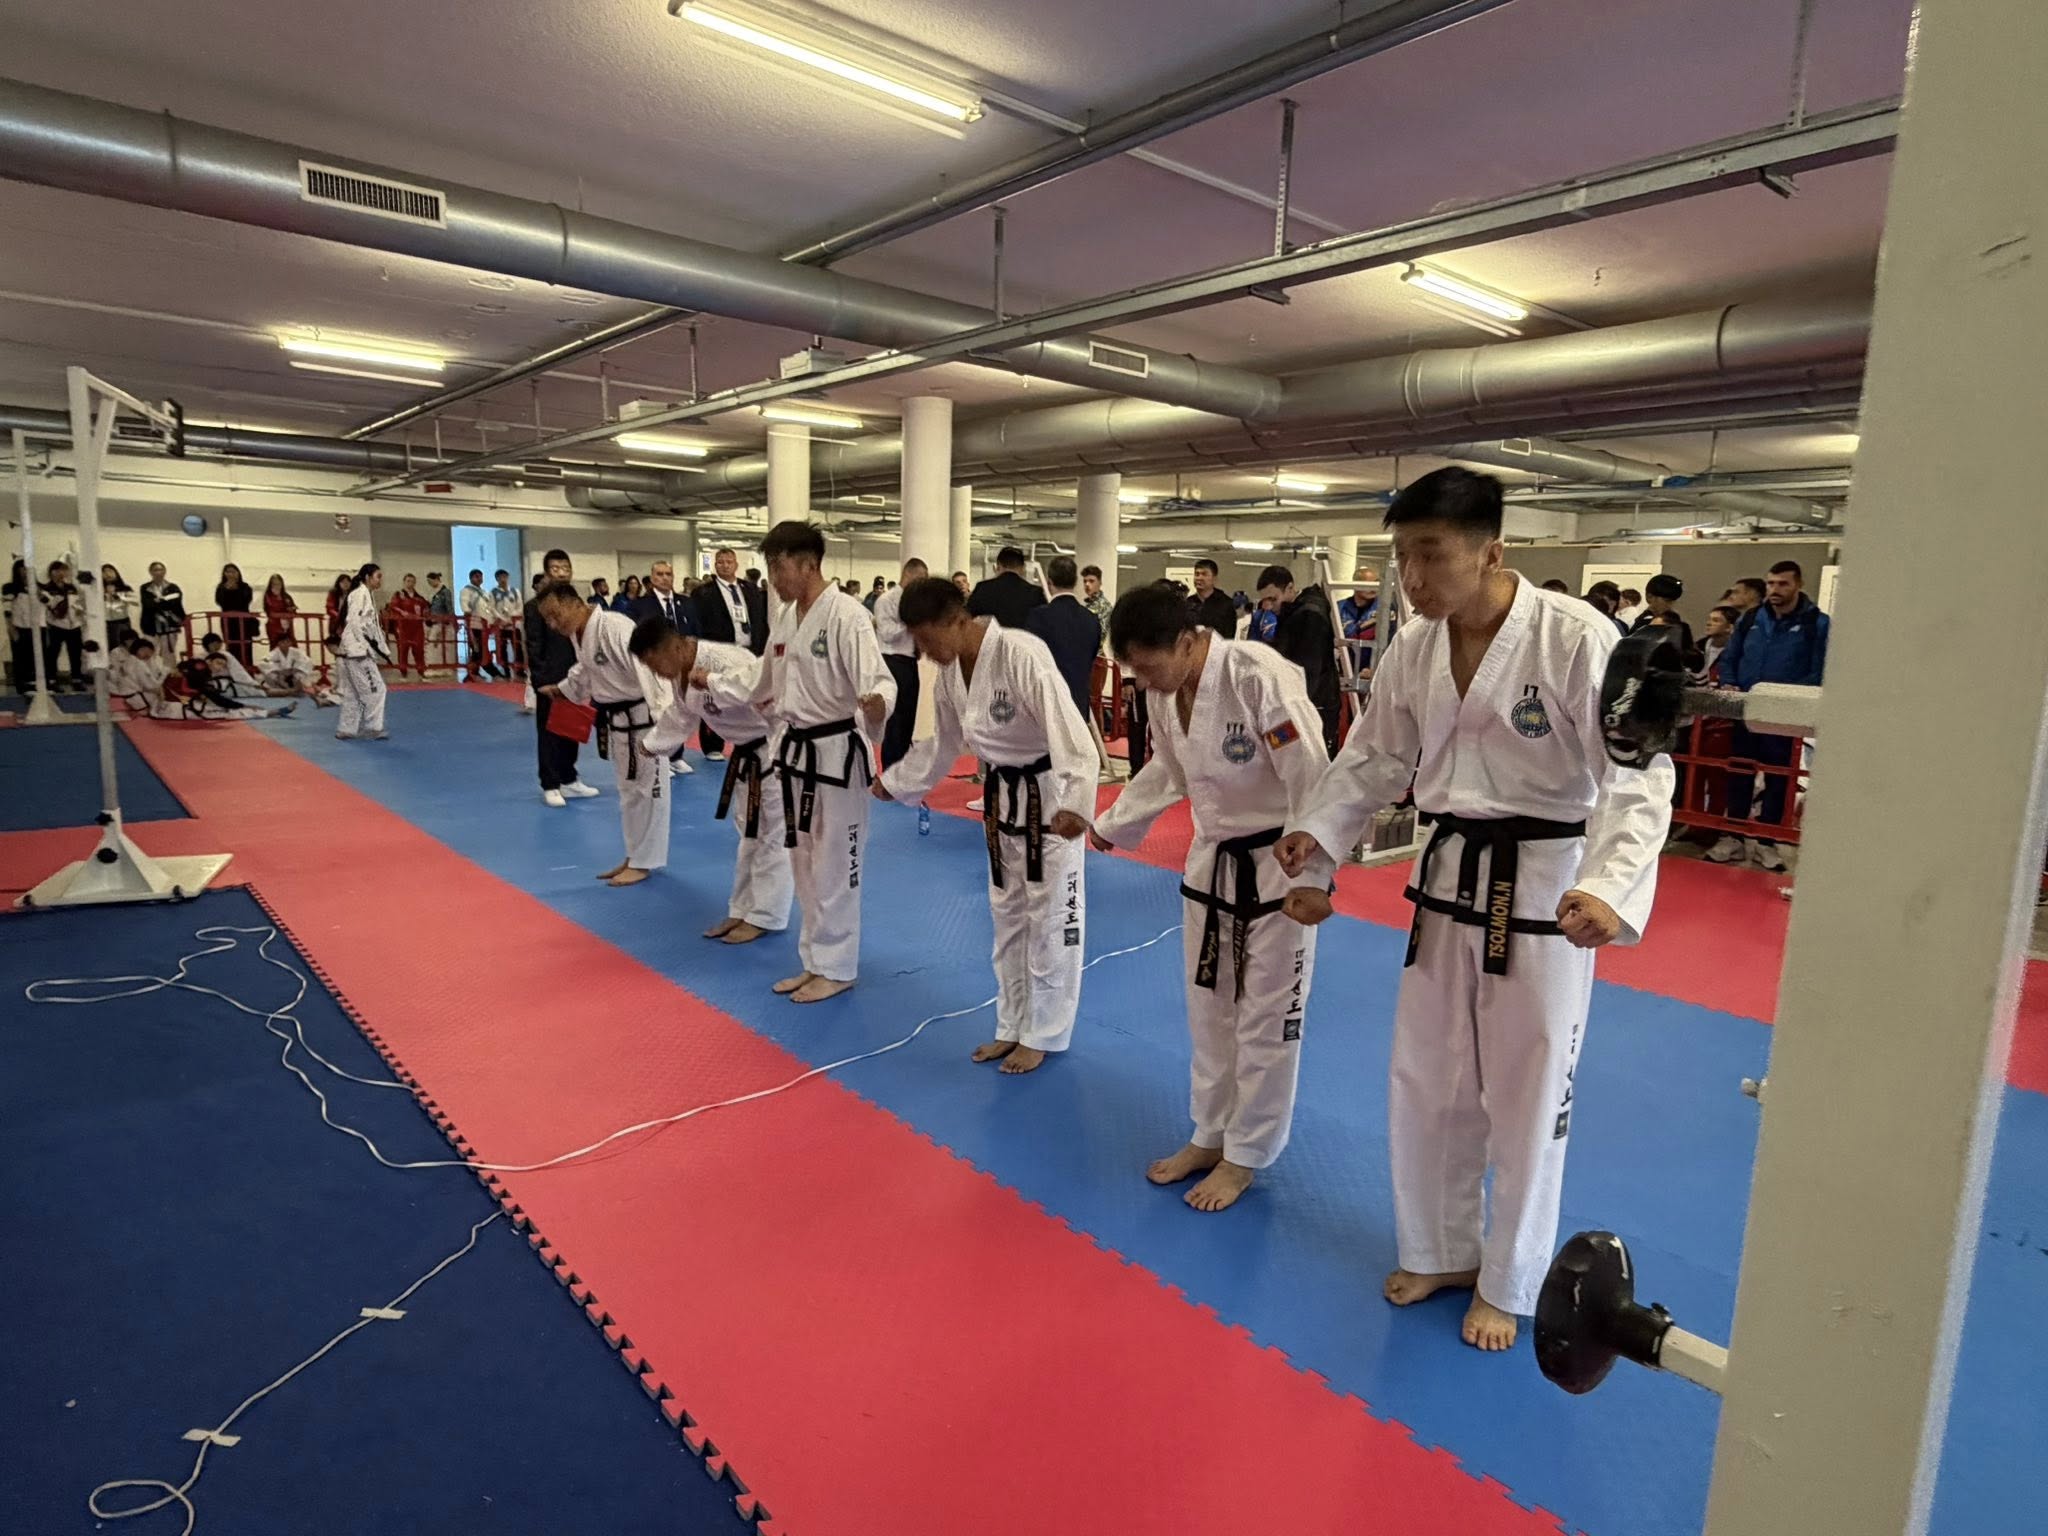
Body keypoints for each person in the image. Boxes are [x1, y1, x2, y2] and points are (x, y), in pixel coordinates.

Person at [1272, 466, 1673, 1352]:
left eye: (1431, 555)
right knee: (1428, 1080)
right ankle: (1441, 1251)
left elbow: (1637, 776)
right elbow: (1375, 757)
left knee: (1528, 1095)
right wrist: (1319, 844)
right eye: (1402, 558)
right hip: (1448, 878)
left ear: (1492, 552)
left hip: (1546, 889)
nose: (1412, 579)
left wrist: (1608, 887)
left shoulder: (1575, 637)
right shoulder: (1415, 647)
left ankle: (1511, 1278)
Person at [1091, 581, 1333, 1210]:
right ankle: (1209, 1133)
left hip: (1280, 866)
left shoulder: (1257, 676)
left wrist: (1315, 877)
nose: (1141, 682)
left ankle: (1246, 1153)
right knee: (1209, 1009)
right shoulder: (1167, 694)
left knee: (1266, 1018)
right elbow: (1168, 771)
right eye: (1132, 670)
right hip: (1212, 863)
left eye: (1147, 666)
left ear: (1185, 642)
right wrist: (1115, 823)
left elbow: (1311, 774)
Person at [882, 576, 1095, 1073]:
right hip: (1002, 798)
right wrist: (896, 782)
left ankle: (1045, 1031)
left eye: (928, 638)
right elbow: (942, 744)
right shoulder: (951, 674)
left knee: (1051, 917)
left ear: (957, 621)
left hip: (1049, 798)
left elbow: (1071, 730)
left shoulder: (1021, 654)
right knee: (1007, 916)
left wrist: (1076, 804)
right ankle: (1012, 1023)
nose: (925, 652)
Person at [744, 520, 894, 1004]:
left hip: (836, 757)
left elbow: (880, 681)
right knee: (804, 861)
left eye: (779, 566)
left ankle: (839, 966)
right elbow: (763, 679)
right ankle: (815, 961)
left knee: (837, 864)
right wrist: (720, 686)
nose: (773, 578)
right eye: (770, 567)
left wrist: (876, 704)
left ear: (808, 564)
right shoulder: (786, 617)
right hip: (796, 754)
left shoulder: (848, 615)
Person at [631, 616, 793, 945]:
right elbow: (681, 716)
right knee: (749, 834)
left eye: (654, 663)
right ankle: (743, 908)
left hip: (774, 751)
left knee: (772, 835)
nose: (656, 673)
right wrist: (652, 744)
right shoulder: (681, 673)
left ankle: (766, 915)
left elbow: (778, 704)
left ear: (674, 647)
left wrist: (780, 758)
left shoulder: (727, 662)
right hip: (746, 755)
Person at [538, 580, 670, 886]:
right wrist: (562, 690)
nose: (553, 624)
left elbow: (651, 669)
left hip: (645, 721)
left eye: (555, 614)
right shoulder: (580, 633)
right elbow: (586, 670)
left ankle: (645, 861)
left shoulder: (614, 626)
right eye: (547, 619)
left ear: (574, 603)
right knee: (628, 793)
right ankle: (634, 855)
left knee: (649, 793)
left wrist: (665, 726)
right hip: (618, 722)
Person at [1706, 560, 1829, 873]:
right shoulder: (1750, 619)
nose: (1775, 589)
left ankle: (1766, 840)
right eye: (1771, 583)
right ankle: (1732, 836)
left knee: (1779, 778)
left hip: (1784, 715)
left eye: (1783, 584)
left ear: (1798, 585)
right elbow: (1731, 656)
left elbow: (1819, 669)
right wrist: (1730, 683)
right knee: (1739, 771)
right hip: (1746, 710)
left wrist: (1788, 698)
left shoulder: (1817, 623)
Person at [523, 552, 596, 808]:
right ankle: (550, 783)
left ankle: (569, 778)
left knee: (572, 728)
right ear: (546, 572)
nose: (562, 572)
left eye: (566, 567)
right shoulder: (535, 606)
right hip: (550, 677)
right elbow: (534, 646)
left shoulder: (576, 603)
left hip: (575, 674)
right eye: (555, 568)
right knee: (549, 732)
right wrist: (540, 680)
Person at [1255, 564, 1341, 755]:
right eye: (1264, 600)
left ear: (1290, 588)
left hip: (1312, 707)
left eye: (1273, 599)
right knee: (1282, 756)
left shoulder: (1310, 615)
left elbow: (1309, 669)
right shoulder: (1292, 613)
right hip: (1298, 704)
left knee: (1306, 761)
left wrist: (1295, 709)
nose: (1268, 606)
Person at [692, 547, 768, 762]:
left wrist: (761, 647)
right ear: (715, 565)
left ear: (736, 565)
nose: (725, 565)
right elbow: (699, 624)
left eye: (729, 562)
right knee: (715, 695)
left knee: (746, 694)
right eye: (721, 562)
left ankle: (749, 739)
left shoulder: (750, 589)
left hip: (748, 650)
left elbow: (760, 619)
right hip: (719, 650)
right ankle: (712, 745)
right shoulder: (703, 593)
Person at [1024, 555, 1102, 726]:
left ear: (1049, 582)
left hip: (1047, 704)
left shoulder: (1037, 617)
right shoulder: (1091, 619)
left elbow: (1030, 660)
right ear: (1075, 581)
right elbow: (1092, 656)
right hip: (1079, 703)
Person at [868, 557, 927, 769]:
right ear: (908, 574)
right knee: (895, 721)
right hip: (892, 661)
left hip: (910, 663)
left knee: (909, 717)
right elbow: (887, 633)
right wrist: (909, 623)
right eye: (920, 579)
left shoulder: (915, 601)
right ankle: (890, 770)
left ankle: (903, 767)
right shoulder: (887, 600)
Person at [332, 562, 390, 741]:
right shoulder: (360, 594)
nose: (380, 580)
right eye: (378, 576)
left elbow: (369, 626)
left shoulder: (365, 594)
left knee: (353, 692)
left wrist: (381, 648)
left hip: (353, 649)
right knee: (377, 689)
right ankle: (373, 727)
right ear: (367, 577)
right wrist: (365, 645)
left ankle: (346, 729)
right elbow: (354, 621)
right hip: (357, 651)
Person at [967, 546, 1046, 630]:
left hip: (990, 637)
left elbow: (969, 618)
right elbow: (1043, 624)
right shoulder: (1035, 593)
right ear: (1023, 568)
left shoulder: (982, 588)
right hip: (1022, 637)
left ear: (998, 566)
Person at [1628, 573, 1696, 666]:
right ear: (1649, 597)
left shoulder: (1678, 624)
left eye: (1673, 601)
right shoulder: (1642, 624)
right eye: (1666, 600)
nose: (1670, 605)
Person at [40, 561, 84, 691]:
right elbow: (46, 605)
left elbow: (79, 602)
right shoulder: (46, 589)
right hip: (55, 625)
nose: (61, 573)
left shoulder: (72, 588)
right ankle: (52, 680)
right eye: (57, 570)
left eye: (64, 570)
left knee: (75, 653)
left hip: (74, 625)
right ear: (51, 572)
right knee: (52, 653)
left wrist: (80, 611)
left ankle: (77, 679)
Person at [261, 633, 338, 706]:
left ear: (290, 643)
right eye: (282, 642)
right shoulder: (274, 653)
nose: (285, 644)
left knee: (299, 675)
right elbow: (263, 663)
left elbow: (307, 662)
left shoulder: (296, 652)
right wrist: (280, 672)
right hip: (280, 678)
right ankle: (288, 691)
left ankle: (293, 690)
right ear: (278, 643)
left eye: (287, 642)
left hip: (293, 676)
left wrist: (294, 670)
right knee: (271, 675)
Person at [213, 563, 257, 669]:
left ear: (238, 573)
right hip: (228, 622)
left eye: (233, 571)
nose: (231, 574)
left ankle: (247, 669)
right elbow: (220, 601)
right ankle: (233, 670)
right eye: (228, 572)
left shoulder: (245, 587)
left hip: (243, 621)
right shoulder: (221, 587)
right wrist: (227, 589)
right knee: (232, 645)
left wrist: (235, 589)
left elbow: (246, 600)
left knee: (246, 646)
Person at [384, 574, 428, 678]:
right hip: (403, 626)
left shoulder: (419, 598)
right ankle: (403, 670)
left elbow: (426, 608)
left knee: (418, 649)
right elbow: (393, 607)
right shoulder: (398, 595)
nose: (410, 583)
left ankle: (421, 670)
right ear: (404, 582)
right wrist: (403, 613)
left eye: (412, 581)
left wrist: (425, 613)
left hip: (417, 627)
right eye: (408, 581)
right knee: (403, 649)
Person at [6, 558, 38, 693]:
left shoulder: (36, 587)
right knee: (20, 656)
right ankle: (21, 684)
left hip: (35, 627)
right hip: (18, 626)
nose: (26, 571)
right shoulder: (9, 587)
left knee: (34, 656)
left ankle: (33, 682)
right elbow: (7, 610)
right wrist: (11, 628)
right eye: (23, 568)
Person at [198, 631, 263, 694]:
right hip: (224, 686)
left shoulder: (198, 657)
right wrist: (254, 685)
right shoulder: (225, 655)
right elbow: (239, 674)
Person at [460, 568, 495, 681]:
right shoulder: (466, 591)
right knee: (476, 649)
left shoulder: (484, 592)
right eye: (476, 577)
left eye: (480, 576)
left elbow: (488, 607)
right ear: (471, 578)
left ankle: (476, 672)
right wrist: (468, 616)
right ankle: (472, 674)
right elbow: (465, 606)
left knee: (482, 650)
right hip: (473, 624)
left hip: (483, 625)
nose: (479, 579)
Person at [487, 570, 524, 677]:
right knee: (502, 648)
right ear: (497, 579)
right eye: (500, 578)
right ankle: (505, 669)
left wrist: (511, 618)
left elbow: (520, 607)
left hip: (514, 625)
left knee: (517, 647)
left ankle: (520, 670)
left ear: (508, 577)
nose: (503, 580)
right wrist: (502, 619)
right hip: (501, 625)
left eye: (505, 577)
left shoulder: (515, 591)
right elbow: (491, 608)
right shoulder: (493, 593)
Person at [139, 562, 186, 644]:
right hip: (152, 624)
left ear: (164, 571)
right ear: (150, 572)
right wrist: (164, 600)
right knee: (154, 649)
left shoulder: (173, 587)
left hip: (170, 623)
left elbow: (174, 604)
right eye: (155, 570)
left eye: (161, 570)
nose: (158, 572)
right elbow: (148, 605)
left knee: (170, 650)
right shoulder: (145, 588)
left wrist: (159, 601)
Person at [1188, 559, 1236, 634]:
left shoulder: (1226, 604)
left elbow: (1229, 635)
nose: (1199, 578)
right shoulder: (1188, 603)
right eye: (1197, 574)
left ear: (1214, 578)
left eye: (1204, 574)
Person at [101, 564, 136, 651]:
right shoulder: (99, 591)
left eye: (110, 571)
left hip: (122, 622)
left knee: (127, 646)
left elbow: (136, 602)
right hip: (107, 623)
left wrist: (119, 596)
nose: (107, 574)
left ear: (116, 573)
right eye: (104, 572)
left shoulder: (125, 588)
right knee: (111, 648)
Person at [261, 573, 296, 651]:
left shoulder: (286, 596)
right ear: (270, 585)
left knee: (291, 649)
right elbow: (270, 612)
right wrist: (284, 614)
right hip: (274, 628)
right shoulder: (268, 596)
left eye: (278, 584)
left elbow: (293, 611)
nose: (276, 586)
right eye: (274, 584)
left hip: (287, 628)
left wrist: (291, 611)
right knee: (275, 649)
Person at [1080, 565, 1112, 634]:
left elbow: (1101, 633)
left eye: (1091, 581)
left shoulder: (1104, 606)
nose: (1087, 584)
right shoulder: (1086, 604)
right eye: (1085, 581)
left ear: (1100, 583)